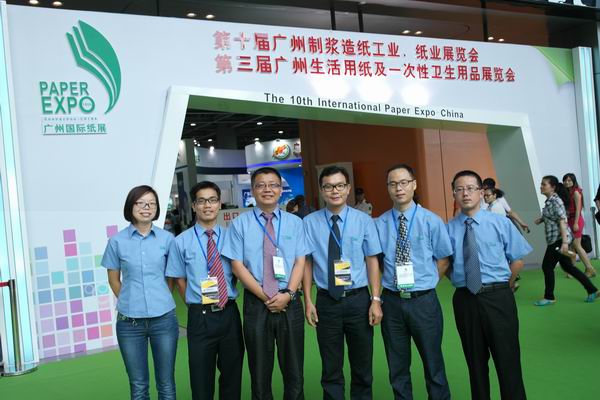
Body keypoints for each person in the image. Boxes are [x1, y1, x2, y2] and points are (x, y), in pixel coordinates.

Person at [222, 167, 309, 400]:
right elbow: (237, 266)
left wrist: (288, 294)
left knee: (294, 371)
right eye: (261, 185)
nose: (267, 189)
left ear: (281, 190)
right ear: (253, 190)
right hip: (256, 303)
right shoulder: (240, 224)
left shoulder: (295, 223)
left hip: (290, 301)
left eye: (273, 185)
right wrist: (265, 296)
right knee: (259, 373)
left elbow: (300, 261)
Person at [447, 171, 531, 400]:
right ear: (454, 194)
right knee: (475, 363)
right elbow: (445, 264)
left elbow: (517, 261)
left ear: (481, 192)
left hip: (498, 297)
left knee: (508, 360)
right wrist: (459, 280)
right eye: (459, 189)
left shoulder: (500, 223)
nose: (465, 193)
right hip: (465, 300)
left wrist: (505, 286)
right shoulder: (448, 229)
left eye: (470, 188)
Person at [303, 165, 382, 400]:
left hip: (358, 300)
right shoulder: (309, 222)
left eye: (339, 185)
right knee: (331, 369)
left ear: (347, 188)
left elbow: (372, 261)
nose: (334, 191)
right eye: (328, 186)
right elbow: (306, 263)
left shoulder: (364, 220)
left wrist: (375, 300)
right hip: (326, 302)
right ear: (321, 190)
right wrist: (308, 300)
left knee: (362, 367)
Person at [375, 164, 452, 400]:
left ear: (414, 184)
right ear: (387, 188)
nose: (399, 188)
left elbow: (443, 259)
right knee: (397, 368)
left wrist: (426, 284)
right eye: (393, 184)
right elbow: (377, 262)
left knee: (433, 363)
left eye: (404, 182)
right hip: (392, 302)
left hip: (423, 302)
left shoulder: (431, 221)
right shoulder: (379, 223)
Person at [166, 181, 244, 400]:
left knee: (232, 375)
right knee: (201, 380)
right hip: (199, 317)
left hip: (229, 314)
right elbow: (179, 279)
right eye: (201, 201)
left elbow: (238, 272)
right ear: (194, 206)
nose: (207, 205)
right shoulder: (180, 241)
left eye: (212, 200)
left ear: (219, 204)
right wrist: (195, 305)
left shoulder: (231, 237)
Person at [101, 185, 178, 400]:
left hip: (164, 320)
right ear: (130, 206)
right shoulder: (116, 241)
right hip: (129, 323)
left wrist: (160, 297)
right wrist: (129, 301)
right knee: (138, 386)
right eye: (141, 203)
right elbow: (113, 280)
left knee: (166, 384)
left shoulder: (167, 239)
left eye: (152, 204)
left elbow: (171, 277)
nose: (147, 208)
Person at [533, 175, 599, 306]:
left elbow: (562, 220)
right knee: (568, 267)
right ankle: (592, 290)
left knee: (547, 266)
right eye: (541, 184)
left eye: (544, 184)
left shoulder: (556, 201)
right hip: (557, 239)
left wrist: (564, 242)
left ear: (553, 187)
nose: (541, 187)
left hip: (558, 240)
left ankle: (549, 297)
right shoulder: (550, 201)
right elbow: (553, 216)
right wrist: (541, 220)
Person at [562, 173, 596, 277]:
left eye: (569, 180)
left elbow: (578, 209)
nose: (567, 182)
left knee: (577, 245)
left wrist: (576, 223)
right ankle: (572, 270)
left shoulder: (576, 192)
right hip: (570, 220)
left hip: (576, 220)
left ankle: (590, 268)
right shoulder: (567, 192)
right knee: (572, 246)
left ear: (573, 181)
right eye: (565, 180)